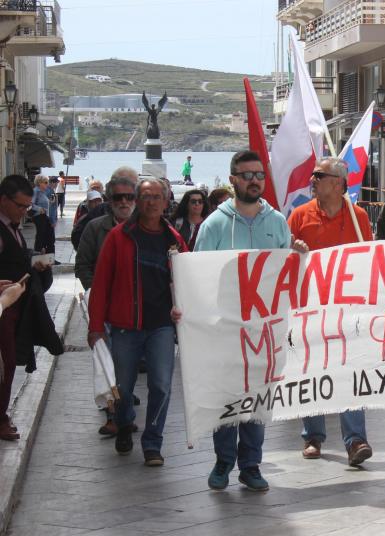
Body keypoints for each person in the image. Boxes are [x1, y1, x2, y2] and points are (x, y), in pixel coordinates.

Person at [192, 150, 291, 491]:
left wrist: (299, 257)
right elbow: (198, 276)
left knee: (258, 398)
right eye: (247, 175)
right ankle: (223, 462)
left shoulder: (277, 222)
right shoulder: (214, 225)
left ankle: (251, 465)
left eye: (259, 175)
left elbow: (288, 273)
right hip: (226, 329)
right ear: (233, 179)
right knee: (227, 398)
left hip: (264, 330)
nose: (254, 181)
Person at [87, 177, 188, 466]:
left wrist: (184, 311)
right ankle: (124, 423)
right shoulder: (118, 237)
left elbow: (187, 282)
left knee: (162, 386)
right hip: (125, 326)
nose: (151, 202)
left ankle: (153, 443)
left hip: (161, 326)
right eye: (145, 196)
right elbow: (101, 283)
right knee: (123, 387)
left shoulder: (174, 239)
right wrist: (96, 327)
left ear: (166, 202)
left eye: (157, 197)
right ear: (137, 201)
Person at [287, 157, 374, 466]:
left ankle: (355, 440)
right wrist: (293, 250)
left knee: (350, 370)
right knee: (311, 369)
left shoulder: (358, 217)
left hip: (348, 308)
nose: (312, 179)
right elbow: (284, 258)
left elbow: (369, 258)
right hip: (309, 307)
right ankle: (313, 436)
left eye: (318, 175)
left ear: (338, 183)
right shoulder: (299, 215)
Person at [74, 175, 138, 437]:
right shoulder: (95, 228)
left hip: (136, 309)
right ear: (109, 201)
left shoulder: (147, 228)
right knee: (107, 360)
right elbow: (82, 265)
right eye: (118, 197)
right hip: (105, 308)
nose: (124, 202)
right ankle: (115, 416)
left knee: (128, 365)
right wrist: (97, 292)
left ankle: (124, 412)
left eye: (129, 197)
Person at [0, 175, 54, 441]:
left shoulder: (13, 227)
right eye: (20, 206)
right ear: (4, 201)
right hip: (3, 308)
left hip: (15, 307)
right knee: (6, 363)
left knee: (10, 363)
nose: (24, 211)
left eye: (27, 206)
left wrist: (33, 263)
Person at [72, 167, 139, 250]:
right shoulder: (96, 216)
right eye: (124, 183)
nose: (124, 200)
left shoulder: (145, 214)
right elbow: (78, 238)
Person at [31, 175, 56, 256]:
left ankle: (50, 256)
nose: (47, 184)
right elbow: (30, 204)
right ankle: (38, 255)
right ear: (39, 183)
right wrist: (40, 209)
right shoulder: (36, 191)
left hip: (45, 217)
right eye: (45, 182)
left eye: (47, 182)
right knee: (41, 237)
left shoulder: (43, 192)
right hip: (39, 217)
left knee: (49, 237)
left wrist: (49, 202)